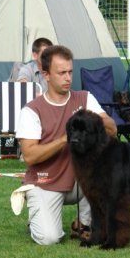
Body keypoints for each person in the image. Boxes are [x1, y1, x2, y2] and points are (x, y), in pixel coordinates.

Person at [15, 45, 117, 245]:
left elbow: (113, 130)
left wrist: (89, 118)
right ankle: (36, 216)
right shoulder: (32, 110)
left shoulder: (84, 98)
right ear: (46, 74)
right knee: (49, 238)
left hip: (78, 182)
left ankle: (85, 223)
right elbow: (30, 156)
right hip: (45, 183)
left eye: (70, 72)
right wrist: (65, 138)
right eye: (61, 73)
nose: (68, 78)